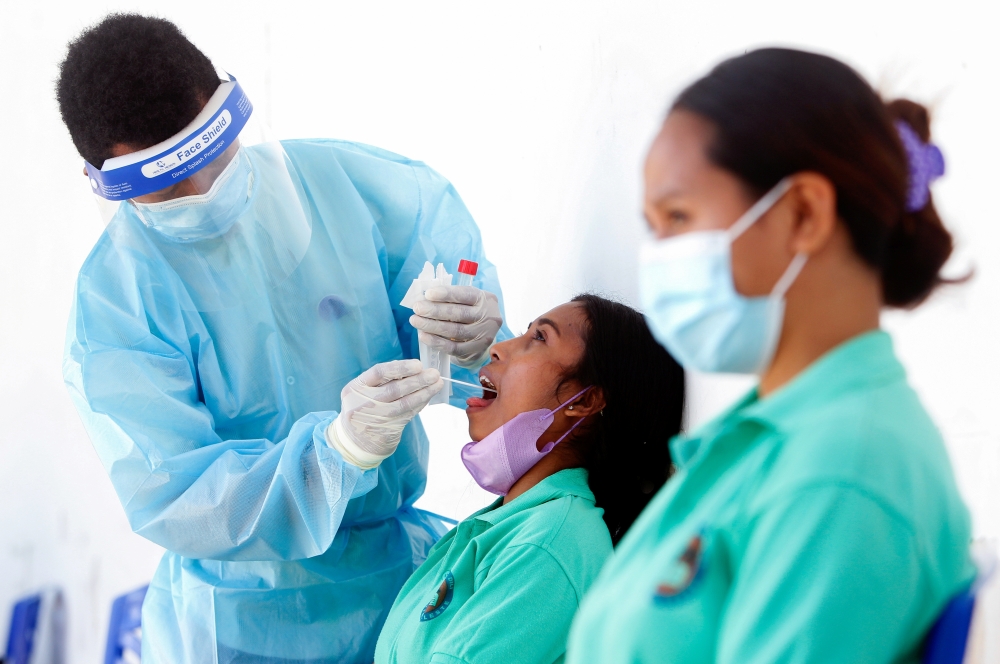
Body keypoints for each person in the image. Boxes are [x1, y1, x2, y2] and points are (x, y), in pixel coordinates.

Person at [58, 14, 508, 664]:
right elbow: (177, 497)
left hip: (395, 592)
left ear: (225, 107)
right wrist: (336, 453)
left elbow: (494, 378)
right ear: (103, 181)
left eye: (209, 154)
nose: (202, 190)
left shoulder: (367, 194)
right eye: (162, 183)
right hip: (237, 626)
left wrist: (474, 345)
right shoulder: (116, 304)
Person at [567, 48, 976, 663]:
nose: (658, 257)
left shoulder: (842, 470)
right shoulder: (767, 440)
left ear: (804, 214)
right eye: (653, 225)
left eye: (678, 216)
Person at [375, 294, 686, 664]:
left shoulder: (551, 544)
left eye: (539, 338)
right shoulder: (503, 526)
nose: (497, 349)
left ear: (584, 402)